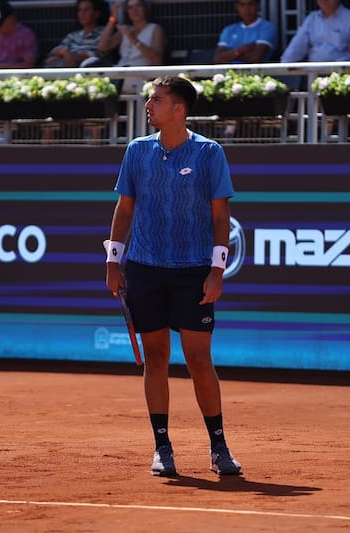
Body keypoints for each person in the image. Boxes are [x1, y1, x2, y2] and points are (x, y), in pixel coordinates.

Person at [104, 75, 241, 477]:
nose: (148, 105)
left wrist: (217, 269)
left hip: (194, 270)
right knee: (157, 357)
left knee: (199, 359)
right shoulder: (136, 151)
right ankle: (162, 447)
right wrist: (114, 261)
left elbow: (221, 216)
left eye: (157, 99)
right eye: (150, 99)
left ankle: (219, 447)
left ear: (178, 108)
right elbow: (125, 209)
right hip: (145, 267)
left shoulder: (209, 153)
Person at [95, 0, 165, 94]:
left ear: (145, 9)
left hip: (140, 75)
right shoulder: (126, 29)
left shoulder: (155, 28)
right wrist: (112, 18)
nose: (134, 10)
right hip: (119, 73)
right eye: (130, 8)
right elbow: (102, 47)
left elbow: (157, 60)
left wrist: (132, 38)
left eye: (138, 6)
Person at [280, 0, 350, 63]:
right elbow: (297, 45)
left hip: (342, 71)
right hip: (315, 70)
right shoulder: (312, 18)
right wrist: (283, 65)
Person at [43, 0, 109, 68]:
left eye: (86, 10)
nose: (81, 14)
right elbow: (55, 52)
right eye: (79, 10)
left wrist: (69, 55)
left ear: (96, 14)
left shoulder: (104, 34)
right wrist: (65, 54)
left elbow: (95, 55)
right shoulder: (72, 36)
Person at [0, 0, 38, 69]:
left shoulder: (26, 36)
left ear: (10, 19)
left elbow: (29, 64)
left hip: (15, 77)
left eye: (0, 24)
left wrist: (1, 68)